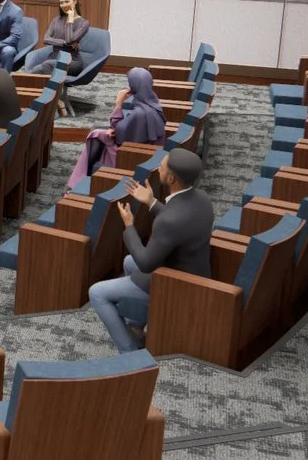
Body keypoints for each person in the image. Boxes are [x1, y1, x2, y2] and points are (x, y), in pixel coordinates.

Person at [85, 149, 214, 352]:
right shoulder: (203, 199)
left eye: (162, 166)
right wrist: (152, 202)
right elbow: (179, 222)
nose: (159, 168)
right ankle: (136, 325)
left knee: (97, 293)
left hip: (174, 283)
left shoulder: (168, 222)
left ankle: (128, 352)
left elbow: (146, 263)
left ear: (170, 178)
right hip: (193, 271)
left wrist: (129, 227)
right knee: (129, 261)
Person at [71, 67, 168, 191]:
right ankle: (84, 179)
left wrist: (118, 104)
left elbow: (117, 133)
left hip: (130, 157)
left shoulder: (138, 114)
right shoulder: (155, 104)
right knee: (99, 133)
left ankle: (81, 182)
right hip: (147, 154)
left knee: (96, 135)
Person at [25, 0, 91, 73]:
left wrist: (70, 20)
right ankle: (50, 85)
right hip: (55, 57)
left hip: (71, 61)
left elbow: (69, 40)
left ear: (75, 1)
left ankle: (52, 86)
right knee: (31, 72)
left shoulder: (83, 23)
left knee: (47, 65)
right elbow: (46, 39)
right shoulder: (57, 20)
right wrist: (63, 43)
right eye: (61, 3)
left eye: (67, 2)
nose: (64, 5)